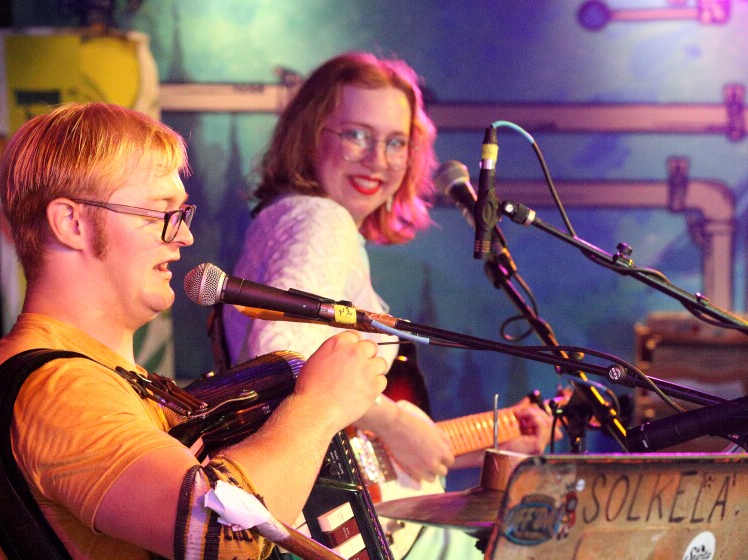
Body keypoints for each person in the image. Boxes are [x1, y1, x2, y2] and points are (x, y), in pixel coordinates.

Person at [0, 102, 388, 560]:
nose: (183, 238)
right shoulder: (59, 388)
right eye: (159, 213)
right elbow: (220, 537)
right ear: (72, 223)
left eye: (181, 215)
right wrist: (318, 408)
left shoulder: (101, 376)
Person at [223, 52, 556, 558]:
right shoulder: (321, 222)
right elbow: (280, 355)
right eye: (357, 134)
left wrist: (496, 436)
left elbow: (354, 449)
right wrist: (396, 422)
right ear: (311, 133)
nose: (378, 159)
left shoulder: (288, 217)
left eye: (396, 142)